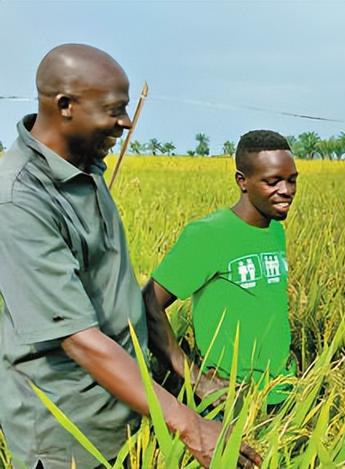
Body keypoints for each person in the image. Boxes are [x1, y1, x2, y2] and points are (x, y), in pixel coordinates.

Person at [0, 44, 260, 469]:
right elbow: (78, 338)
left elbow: (117, 294)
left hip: (131, 412)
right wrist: (190, 427)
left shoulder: (85, 166)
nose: (125, 122)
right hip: (70, 436)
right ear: (65, 105)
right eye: (113, 110)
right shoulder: (18, 200)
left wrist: (187, 374)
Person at [144, 130, 298, 407]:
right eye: (272, 182)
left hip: (283, 391)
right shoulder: (208, 235)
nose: (285, 191)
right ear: (243, 181)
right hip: (231, 400)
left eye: (291, 180)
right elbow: (147, 303)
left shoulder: (276, 230)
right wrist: (196, 380)